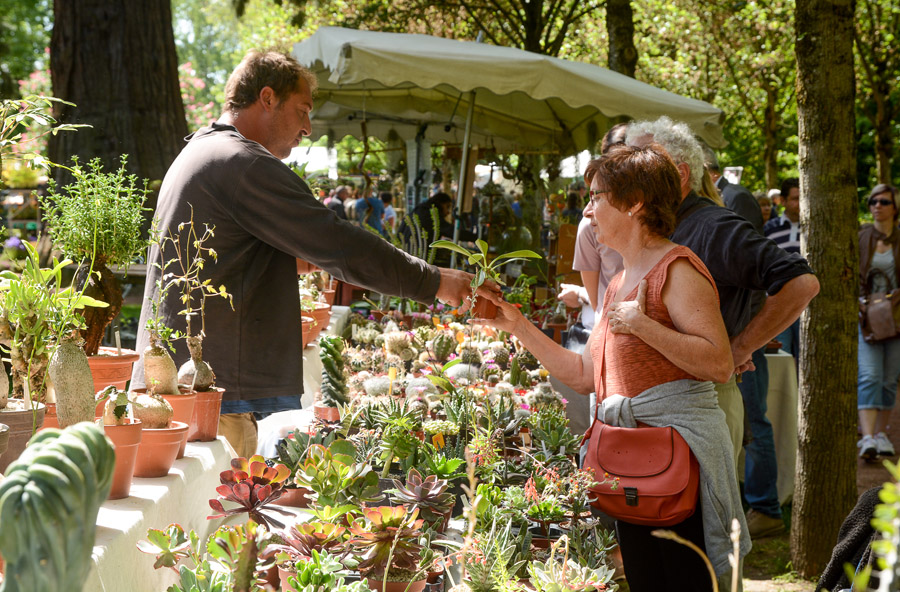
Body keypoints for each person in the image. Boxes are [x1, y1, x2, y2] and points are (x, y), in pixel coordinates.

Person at [131, 51, 491, 458]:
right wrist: (435, 280)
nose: (308, 127)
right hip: (208, 394)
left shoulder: (204, 150)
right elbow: (337, 243)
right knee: (223, 518)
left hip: (187, 385)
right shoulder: (242, 163)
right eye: (302, 110)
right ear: (267, 97)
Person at [476, 144, 748, 591]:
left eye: (597, 196)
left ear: (635, 201)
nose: (588, 209)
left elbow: (719, 363)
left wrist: (644, 326)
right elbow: (587, 376)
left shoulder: (677, 270)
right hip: (633, 468)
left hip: (676, 470)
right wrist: (518, 325)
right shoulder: (619, 279)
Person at [626, 117, 819, 542]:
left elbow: (800, 283)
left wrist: (738, 347)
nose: (627, 175)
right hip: (668, 407)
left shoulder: (715, 225)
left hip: (703, 404)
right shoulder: (664, 225)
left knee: (701, 546)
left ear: (677, 173)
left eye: (638, 164)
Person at [857, 184, 900, 460]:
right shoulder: (861, 237)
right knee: (870, 375)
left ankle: (882, 434)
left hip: (897, 318)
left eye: (884, 201)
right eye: (873, 200)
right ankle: (868, 438)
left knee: (889, 379)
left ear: (895, 208)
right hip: (867, 318)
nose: (877, 205)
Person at [764, 178, 802, 359]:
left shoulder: (816, 228)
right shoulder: (770, 229)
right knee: (782, 353)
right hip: (778, 302)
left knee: (806, 356)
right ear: (783, 201)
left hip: (807, 303)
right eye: (795, 198)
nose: (800, 203)